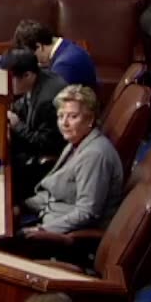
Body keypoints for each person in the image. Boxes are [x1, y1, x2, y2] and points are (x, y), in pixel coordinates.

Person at [21, 85, 123, 235]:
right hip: (48, 212)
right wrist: (22, 206)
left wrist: (41, 231)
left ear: (90, 119)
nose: (64, 123)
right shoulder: (76, 140)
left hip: (63, 233)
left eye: (73, 116)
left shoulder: (94, 155)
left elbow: (87, 212)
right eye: (61, 116)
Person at [0, 48, 68, 201]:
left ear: (27, 75)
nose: (6, 83)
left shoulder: (47, 100)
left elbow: (45, 143)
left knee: (5, 164)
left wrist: (17, 125)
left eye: (10, 79)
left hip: (48, 162)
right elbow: (23, 103)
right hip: (35, 146)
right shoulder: (39, 77)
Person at [12, 20, 97, 91]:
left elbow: (51, 103)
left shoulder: (64, 65)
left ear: (39, 46)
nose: (35, 62)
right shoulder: (67, 46)